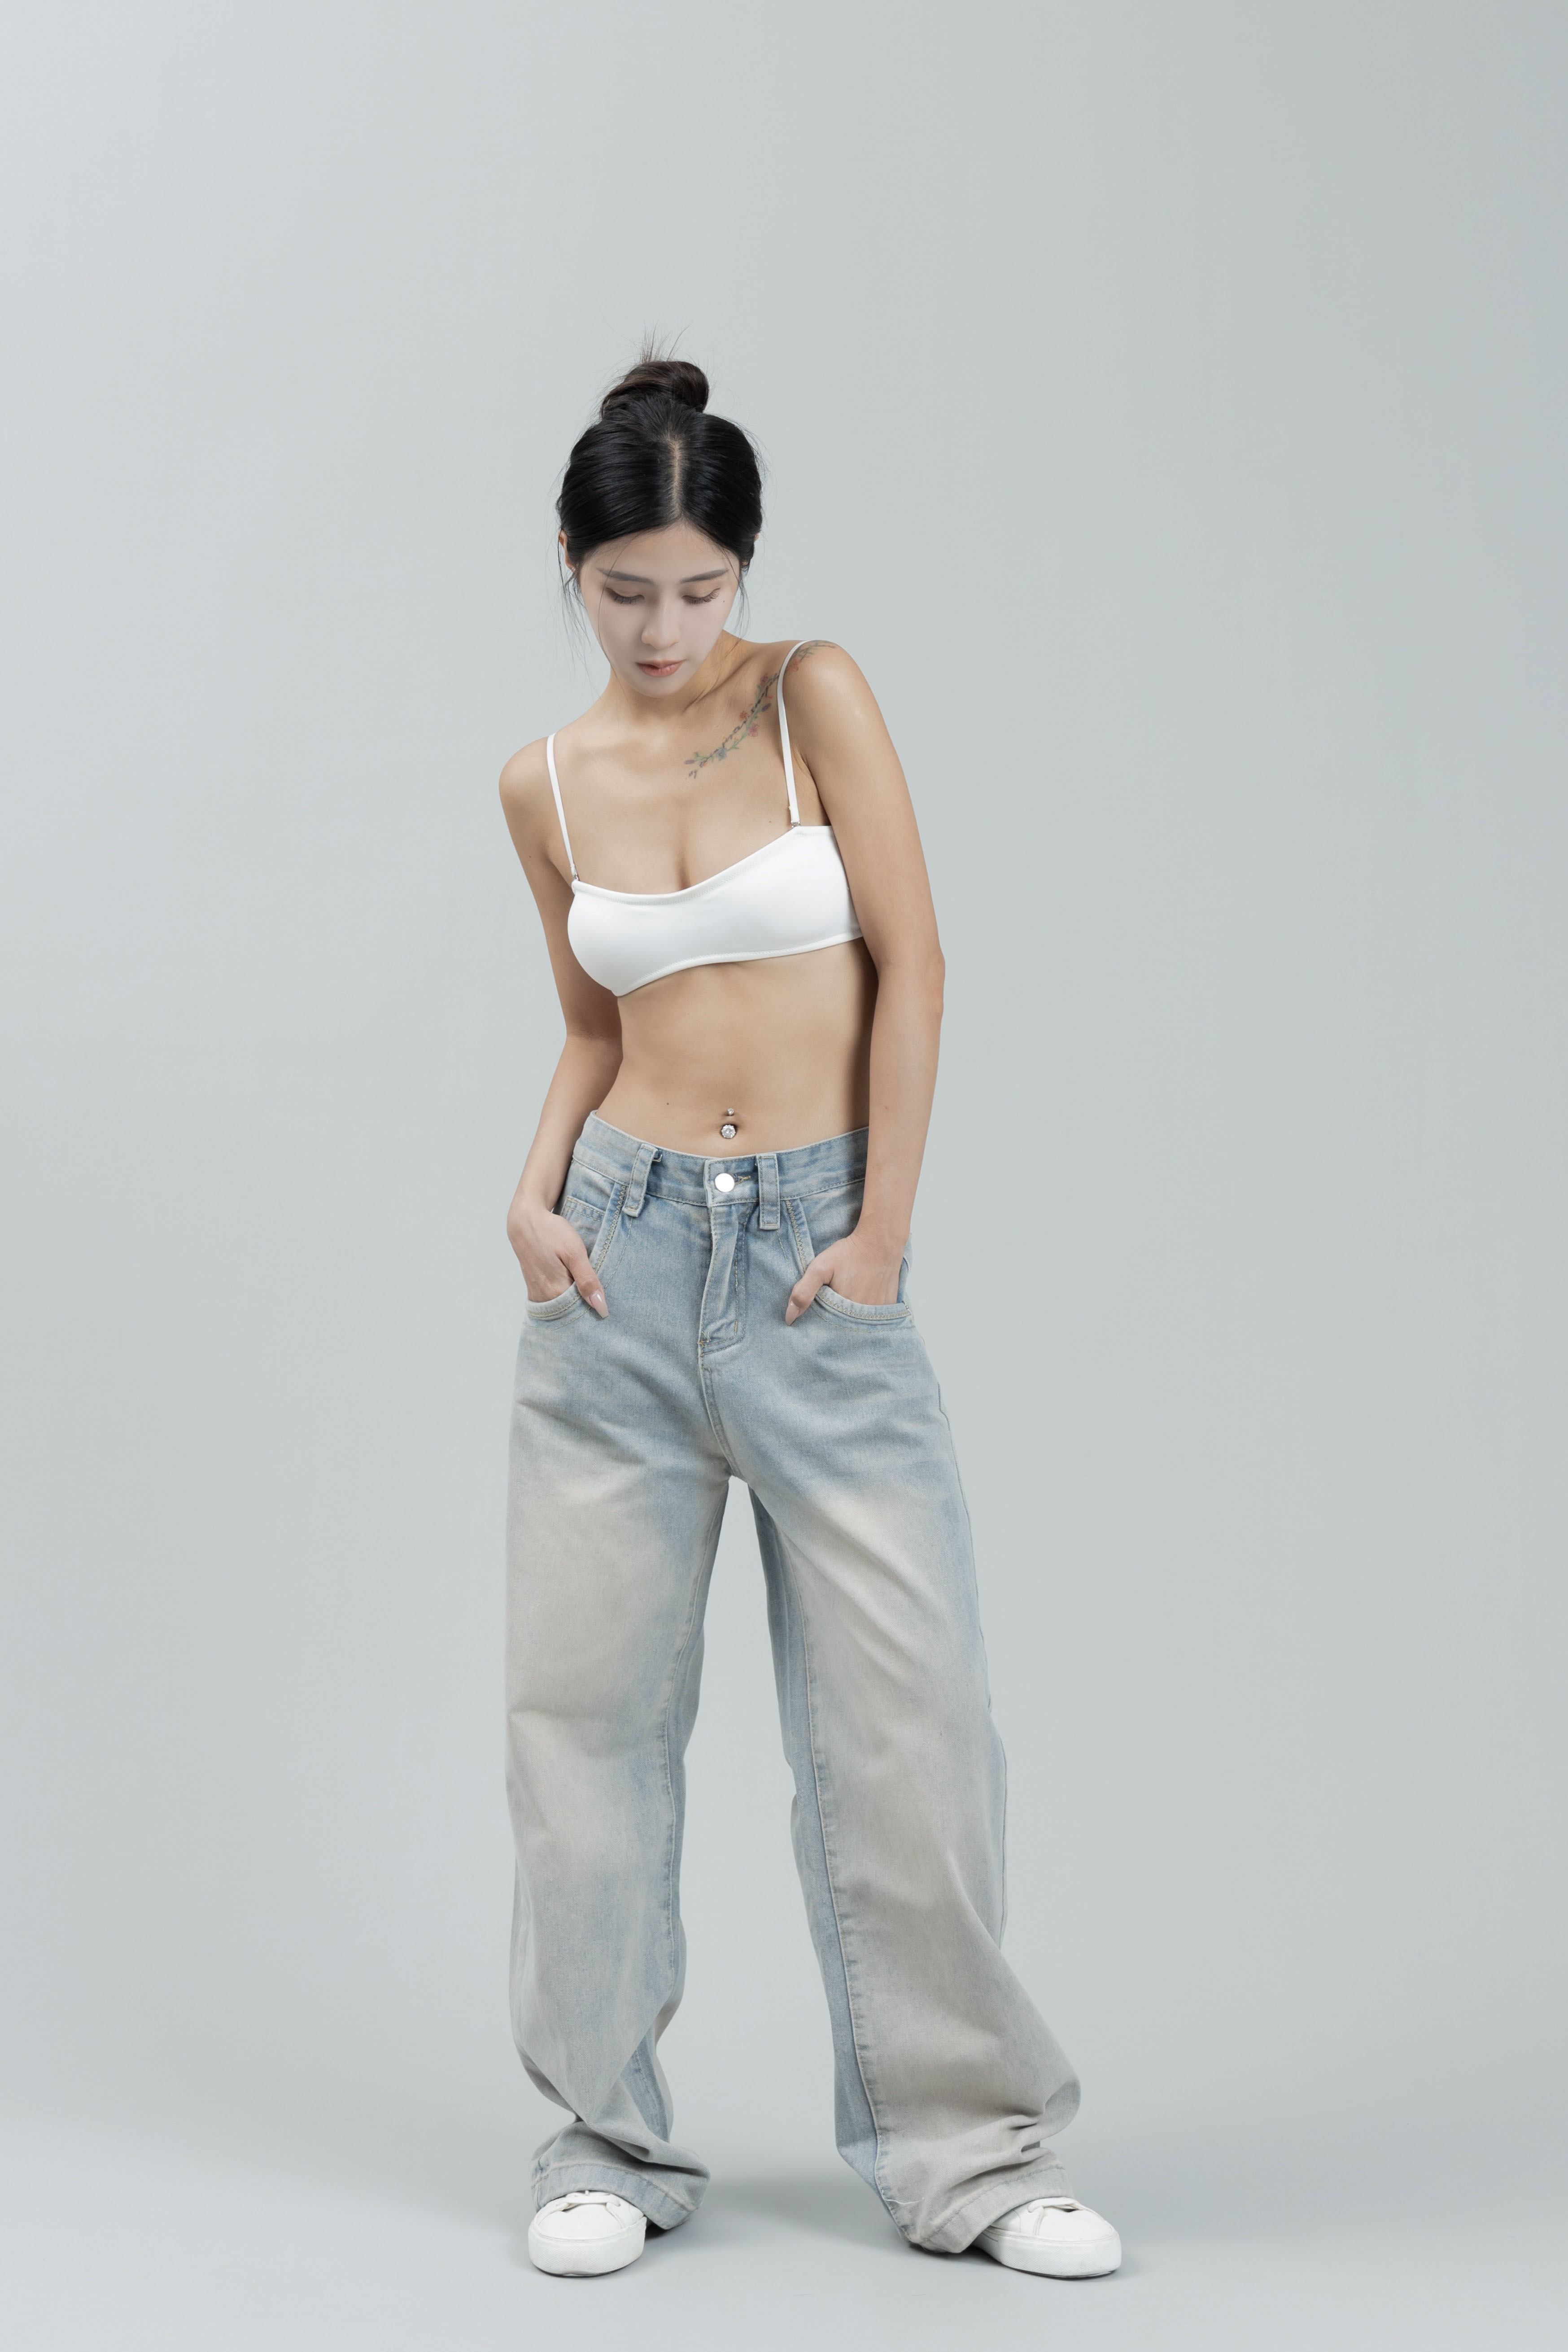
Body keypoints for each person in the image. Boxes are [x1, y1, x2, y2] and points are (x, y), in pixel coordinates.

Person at [497, 355, 1121, 2284]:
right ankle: (599, 2139)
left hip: (812, 1259)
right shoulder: (542, 782)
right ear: (571, 564)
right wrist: (530, 1193)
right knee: (585, 1733)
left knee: (908, 1729)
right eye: (628, 590)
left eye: (701, 587)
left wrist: (882, 1235)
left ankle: (972, 2158)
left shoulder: (810, 694)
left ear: (744, 572)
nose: (666, 628)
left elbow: (914, 966)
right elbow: (595, 1024)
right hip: (613, 1266)